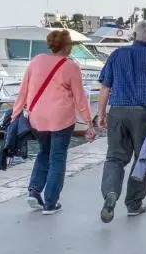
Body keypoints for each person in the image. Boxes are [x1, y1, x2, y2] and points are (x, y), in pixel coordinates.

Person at [12, 29, 95, 215]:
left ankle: (34, 191)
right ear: (68, 46)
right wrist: (89, 122)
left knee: (43, 152)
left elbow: (23, 90)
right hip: (61, 119)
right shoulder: (70, 67)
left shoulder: (36, 61)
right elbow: (80, 98)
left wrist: (15, 115)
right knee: (57, 158)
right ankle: (50, 202)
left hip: (37, 118)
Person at [96, 19, 146, 223]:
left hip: (118, 112)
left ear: (134, 35)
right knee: (142, 158)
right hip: (144, 115)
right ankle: (134, 204)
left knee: (115, 158)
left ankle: (111, 193)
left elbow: (105, 87)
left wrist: (101, 113)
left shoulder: (117, 55)